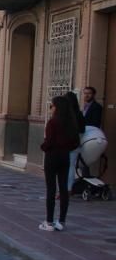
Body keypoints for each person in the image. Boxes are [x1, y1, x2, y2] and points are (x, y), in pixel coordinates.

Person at [39, 95, 81, 232]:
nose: (51, 109)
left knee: (51, 188)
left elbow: (49, 141)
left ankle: (49, 221)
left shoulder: (53, 123)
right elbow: (76, 142)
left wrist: (43, 147)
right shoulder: (72, 123)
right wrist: (66, 148)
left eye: (52, 106)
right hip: (65, 157)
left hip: (52, 156)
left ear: (57, 108)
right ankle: (61, 221)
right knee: (63, 189)